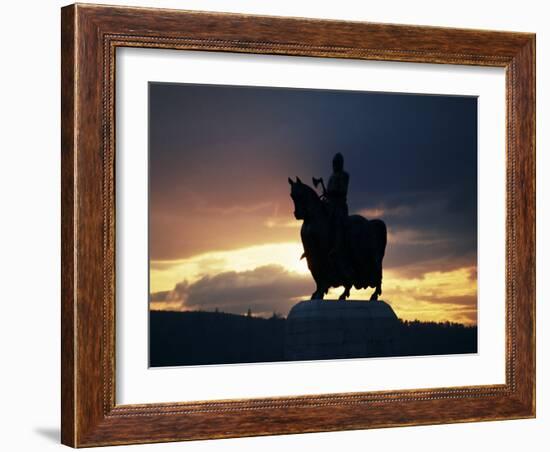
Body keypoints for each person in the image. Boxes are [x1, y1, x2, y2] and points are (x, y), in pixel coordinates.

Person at [326, 152, 349, 257]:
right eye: (333, 163)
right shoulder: (331, 177)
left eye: (336, 163)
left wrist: (331, 193)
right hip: (330, 205)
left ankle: (338, 247)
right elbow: (329, 191)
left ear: (341, 163)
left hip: (339, 206)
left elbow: (343, 191)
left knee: (338, 222)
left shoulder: (344, 175)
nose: (334, 165)